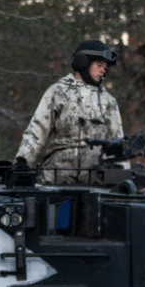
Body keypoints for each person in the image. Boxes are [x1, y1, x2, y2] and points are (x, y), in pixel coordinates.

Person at [15, 40, 126, 184]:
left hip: (95, 176)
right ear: (83, 62)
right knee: (50, 206)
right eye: (99, 65)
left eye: (105, 67)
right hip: (58, 174)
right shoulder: (59, 92)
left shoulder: (108, 101)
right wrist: (23, 161)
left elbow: (118, 142)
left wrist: (122, 173)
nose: (103, 70)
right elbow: (37, 129)